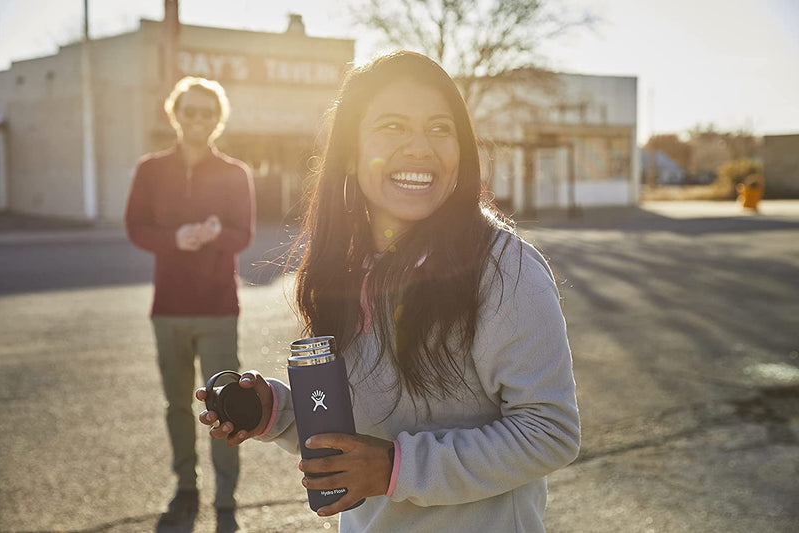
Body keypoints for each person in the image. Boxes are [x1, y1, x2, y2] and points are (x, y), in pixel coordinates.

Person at [197, 51, 579, 532]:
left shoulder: (506, 268)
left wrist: (396, 468)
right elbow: (359, 432)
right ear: (352, 154)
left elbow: (550, 431)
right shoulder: (346, 265)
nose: (420, 148)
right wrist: (278, 412)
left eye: (440, 128)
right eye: (393, 127)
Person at [125, 76, 255, 532]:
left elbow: (245, 234)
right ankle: (185, 486)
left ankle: (226, 496)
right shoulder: (150, 169)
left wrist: (218, 234)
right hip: (169, 309)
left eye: (207, 112)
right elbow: (135, 227)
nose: (197, 119)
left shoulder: (236, 172)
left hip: (219, 308)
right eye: (189, 111)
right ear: (174, 114)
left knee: (226, 406)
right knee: (176, 404)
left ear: (218, 119)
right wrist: (174, 238)